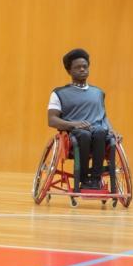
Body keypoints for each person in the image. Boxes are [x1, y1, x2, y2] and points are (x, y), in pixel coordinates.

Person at [47, 48, 117, 191]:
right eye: (78, 67)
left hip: (99, 134)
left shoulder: (98, 93)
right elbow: (52, 120)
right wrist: (74, 125)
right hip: (75, 135)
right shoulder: (59, 93)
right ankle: (84, 179)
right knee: (84, 135)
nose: (82, 70)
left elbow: (103, 116)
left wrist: (112, 130)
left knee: (101, 132)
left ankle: (95, 180)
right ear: (69, 71)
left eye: (85, 67)